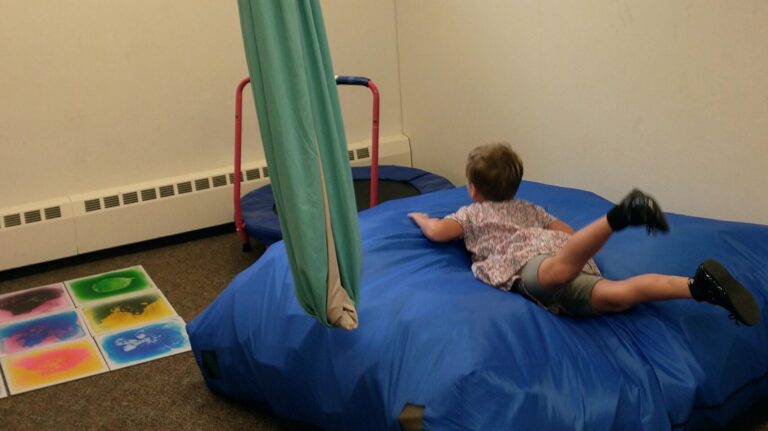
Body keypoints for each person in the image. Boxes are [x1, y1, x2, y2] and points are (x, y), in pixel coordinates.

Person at [408, 142, 760, 325]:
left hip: (525, 263)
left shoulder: (470, 213)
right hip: (559, 254)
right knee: (619, 296)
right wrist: (558, 242)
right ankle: (697, 287)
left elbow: (439, 232)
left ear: (471, 188)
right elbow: (566, 232)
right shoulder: (529, 208)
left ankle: (616, 218)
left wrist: (422, 218)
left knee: (558, 272)